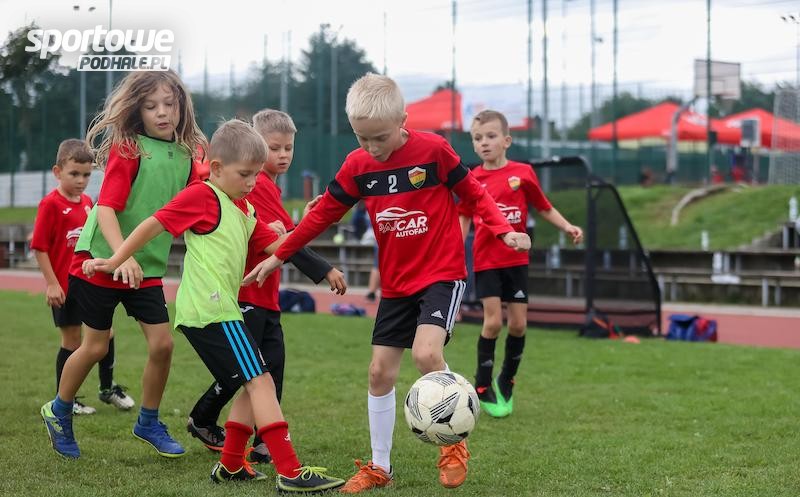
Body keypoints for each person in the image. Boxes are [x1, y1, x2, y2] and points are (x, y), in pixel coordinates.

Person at [243, 73, 530, 492]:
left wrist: (504, 230)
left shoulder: (434, 151)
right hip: (396, 284)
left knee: (427, 354)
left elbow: (474, 194)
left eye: (379, 137)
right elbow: (321, 216)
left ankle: (453, 445)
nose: (371, 147)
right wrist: (278, 256)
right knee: (379, 372)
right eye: (362, 137)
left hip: (441, 273)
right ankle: (380, 467)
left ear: (402, 121)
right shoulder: (357, 166)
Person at [83, 119, 345, 492]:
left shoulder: (244, 209)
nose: (252, 183)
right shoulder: (202, 196)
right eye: (245, 174)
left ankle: (232, 465)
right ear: (217, 168)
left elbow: (280, 246)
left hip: (223, 312)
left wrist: (314, 225)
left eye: (256, 174)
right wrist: (116, 258)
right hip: (210, 312)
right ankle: (290, 471)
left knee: (251, 382)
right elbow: (153, 225)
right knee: (261, 381)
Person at [40, 70, 207, 459]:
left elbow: (194, 206)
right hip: (100, 260)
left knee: (163, 345)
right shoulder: (129, 148)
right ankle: (59, 410)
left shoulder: (189, 153)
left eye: (169, 104)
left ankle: (148, 421)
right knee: (95, 347)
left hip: (145, 267)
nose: (162, 112)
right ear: (137, 111)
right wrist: (122, 256)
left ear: (182, 106)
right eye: (151, 106)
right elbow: (107, 210)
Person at [186, 109, 346, 463]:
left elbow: (285, 237)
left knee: (268, 368)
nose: (283, 155)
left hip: (265, 295)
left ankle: (259, 443)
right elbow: (285, 243)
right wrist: (324, 269)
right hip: (246, 293)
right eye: (274, 148)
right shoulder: (254, 185)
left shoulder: (267, 187)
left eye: (288, 147)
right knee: (250, 372)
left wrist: (306, 221)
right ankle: (208, 420)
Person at [459, 110, 583, 418]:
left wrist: (567, 226)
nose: (484, 143)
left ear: (506, 140)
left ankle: (507, 378)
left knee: (518, 325)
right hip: (487, 259)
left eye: (490, 136)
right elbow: (463, 215)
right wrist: (455, 249)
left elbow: (543, 207)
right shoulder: (473, 179)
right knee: (492, 323)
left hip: (516, 260)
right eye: (477, 138)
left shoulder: (523, 173)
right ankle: (482, 384)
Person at [31, 139, 135, 416]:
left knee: (107, 334)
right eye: (74, 174)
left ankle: (106, 388)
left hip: (87, 284)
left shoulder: (89, 203)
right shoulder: (50, 204)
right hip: (64, 288)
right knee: (72, 341)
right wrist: (52, 283)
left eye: (87, 175)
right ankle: (66, 399)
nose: (81, 180)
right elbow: (39, 247)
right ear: (57, 172)